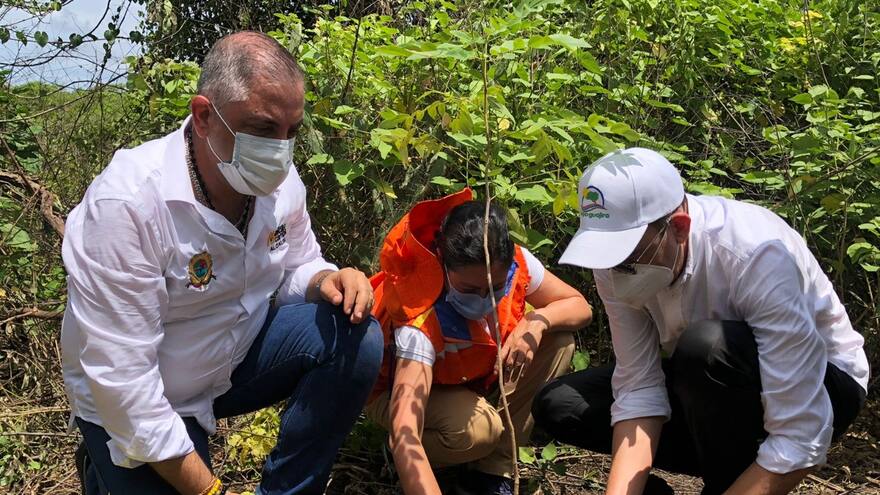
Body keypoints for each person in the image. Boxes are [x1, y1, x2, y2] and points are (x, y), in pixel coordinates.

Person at [60, 31, 383, 495]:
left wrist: (327, 278)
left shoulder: (282, 184)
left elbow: (296, 264)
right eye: (264, 129)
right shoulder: (128, 203)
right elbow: (125, 381)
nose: (280, 150)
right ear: (205, 116)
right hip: (139, 398)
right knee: (140, 444)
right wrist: (211, 490)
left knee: (355, 336)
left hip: (230, 362)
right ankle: (106, 462)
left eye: (292, 131)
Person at [532, 147, 869, 495]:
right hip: (709, 388)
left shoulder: (754, 254)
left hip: (821, 384)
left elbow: (801, 435)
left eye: (628, 258)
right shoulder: (614, 264)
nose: (615, 274)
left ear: (678, 228)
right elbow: (639, 387)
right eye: (606, 259)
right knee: (563, 404)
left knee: (705, 348)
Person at [364, 188, 592, 495]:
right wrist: (405, 452)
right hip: (394, 391)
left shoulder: (513, 263)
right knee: (478, 431)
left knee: (559, 340)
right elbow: (407, 431)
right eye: (470, 289)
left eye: (496, 287)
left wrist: (535, 323)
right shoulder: (419, 311)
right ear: (443, 264)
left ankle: (493, 472)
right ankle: (420, 458)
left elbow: (579, 306)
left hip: (467, 378)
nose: (485, 298)